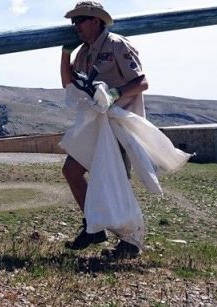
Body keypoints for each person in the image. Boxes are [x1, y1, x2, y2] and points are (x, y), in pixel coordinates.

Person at [60, 1, 149, 258]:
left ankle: (130, 242)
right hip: (96, 122)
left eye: (81, 20)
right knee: (71, 170)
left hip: (119, 122)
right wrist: (65, 53)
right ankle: (93, 226)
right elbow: (69, 83)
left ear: (96, 21)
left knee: (114, 181)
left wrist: (116, 92)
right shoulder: (84, 53)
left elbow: (142, 81)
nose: (76, 26)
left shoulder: (117, 45)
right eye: (73, 22)